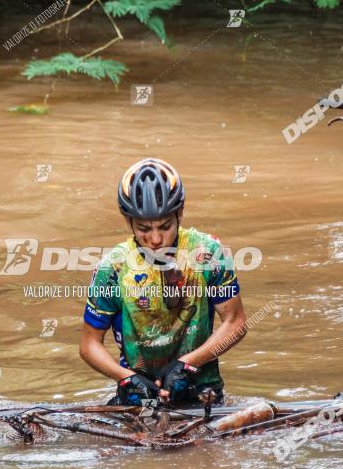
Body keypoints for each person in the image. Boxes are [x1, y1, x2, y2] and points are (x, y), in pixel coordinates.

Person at [79, 158, 247, 406]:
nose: (155, 239)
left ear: (180, 214)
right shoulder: (112, 268)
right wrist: (126, 379)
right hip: (138, 392)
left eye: (165, 226)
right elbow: (89, 344)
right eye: (143, 228)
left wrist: (188, 364)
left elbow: (236, 322)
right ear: (128, 222)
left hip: (201, 389)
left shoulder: (207, 253)